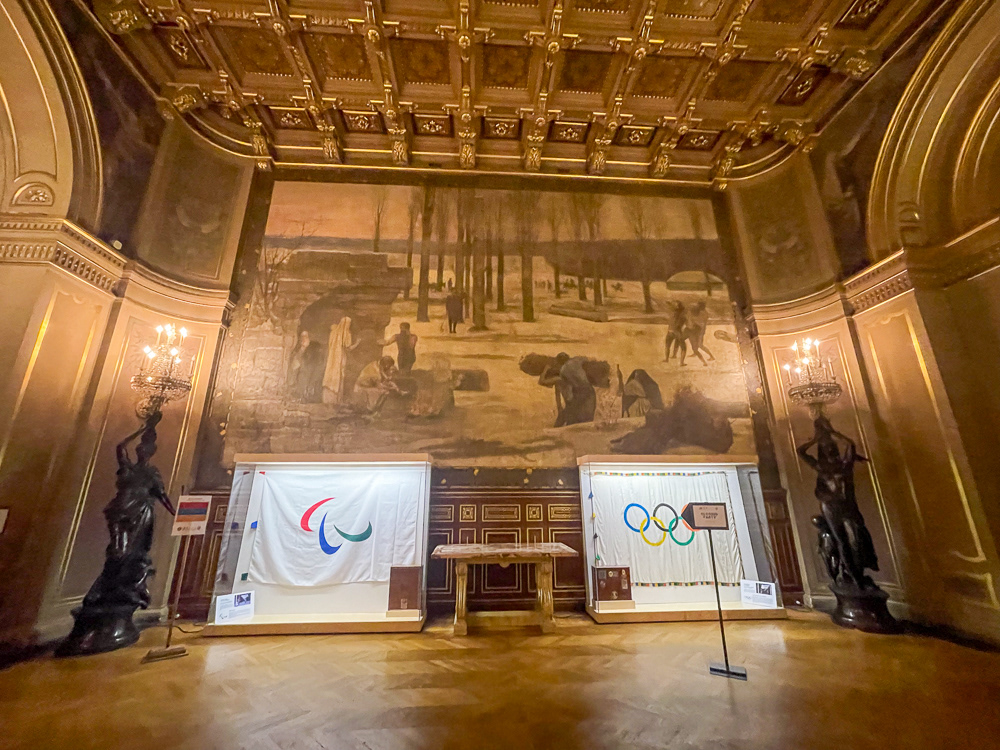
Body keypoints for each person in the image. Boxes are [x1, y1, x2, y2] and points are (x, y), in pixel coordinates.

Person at [797, 414, 879, 589]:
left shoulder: (845, 464)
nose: (830, 451)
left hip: (848, 506)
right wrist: (815, 439)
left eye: (831, 448)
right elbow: (800, 451)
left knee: (856, 539)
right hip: (830, 507)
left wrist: (833, 432)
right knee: (841, 542)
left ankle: (858, 573)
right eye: (826, 449)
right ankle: (855, 579)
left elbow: (850, 445)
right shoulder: (821, 467)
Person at [323, 317, 362, 404]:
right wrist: (357, 342)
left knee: (331, 373)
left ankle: (329, 399)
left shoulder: (334, 332)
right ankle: (337, 400)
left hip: (332, 357)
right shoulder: (346, 333)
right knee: (340, 375)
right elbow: (348, 347)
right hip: (340, 357)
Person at [287, 330, 324, 402]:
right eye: (302, 337)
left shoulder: (314, 349)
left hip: (311, 376)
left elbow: (317, 364)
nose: (304, 339)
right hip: (301, 376)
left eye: (306, 337)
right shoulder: (297, 350)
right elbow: (295, 365)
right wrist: (302, 349)